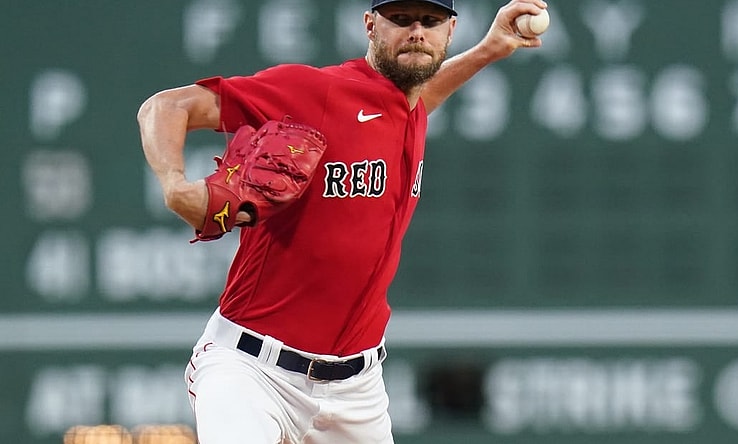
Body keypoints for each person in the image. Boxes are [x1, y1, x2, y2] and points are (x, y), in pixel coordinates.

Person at [137, 0, 547, 442]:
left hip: (357, 390)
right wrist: (174, 185)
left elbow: (420, 95)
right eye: (401, 19)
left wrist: (488, 49)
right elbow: (165, 106)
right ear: (371, 25)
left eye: (429, 21)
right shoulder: (316, 91)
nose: (416, 32)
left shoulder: (407, 108)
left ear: (450, 31)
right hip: (252, 371)